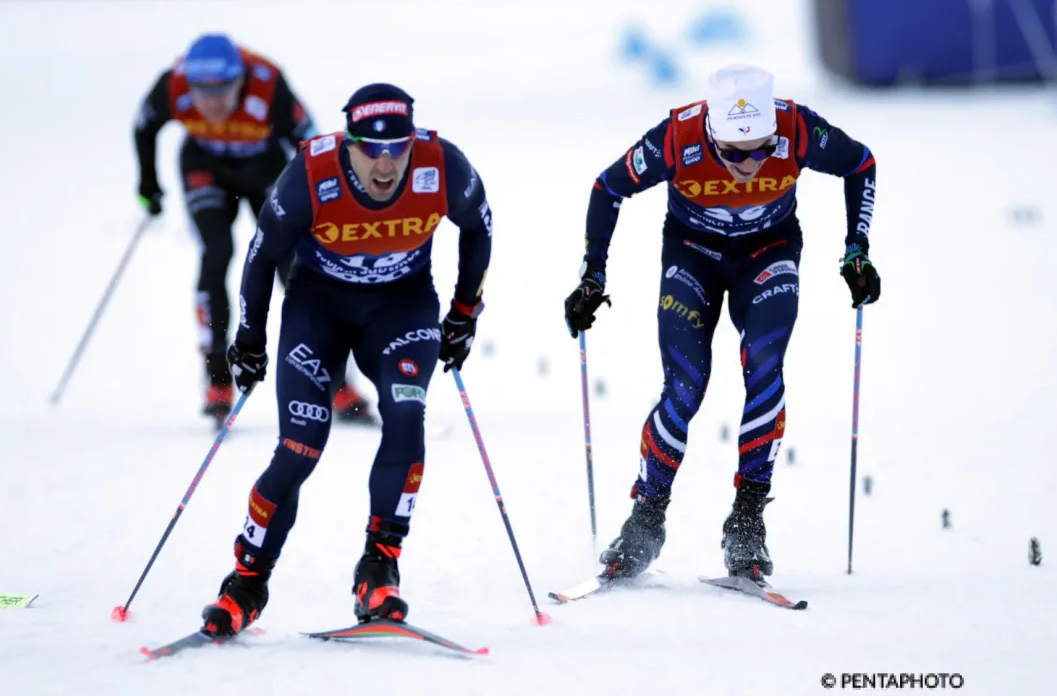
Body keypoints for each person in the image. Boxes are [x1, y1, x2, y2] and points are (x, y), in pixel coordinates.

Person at [564, 64, 880, 584]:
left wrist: (856, 249)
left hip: (769, 253)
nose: (750, 165)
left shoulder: (797, 128)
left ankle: (748, 521)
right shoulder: (677, 137)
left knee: (764, 365)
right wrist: (593, 275)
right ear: (711, 134)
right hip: (693, 258)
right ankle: (646, 518)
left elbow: (860, 163)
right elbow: (607, 187)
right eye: (734, 153)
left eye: (762, 149)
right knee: (685, 386)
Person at [198, 83, 493, 636]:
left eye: (398, 149)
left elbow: (479, 227)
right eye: (371, 150)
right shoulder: (310, 173)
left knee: (406, 418)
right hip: (320, 312)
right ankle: (245, 583)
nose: (386, 165)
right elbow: (263, 254)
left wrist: (464, 311)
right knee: (299, 448)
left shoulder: (441, 164)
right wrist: (249, 336)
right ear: (347, 143)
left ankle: (379, 568)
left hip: (402, 310)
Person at [133, 33, 374, 426]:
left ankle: (334, 379)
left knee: (293, 267)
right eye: (202, 91)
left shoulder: (268, 84)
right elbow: (144, 128)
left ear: (242, 80)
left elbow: (312, 142)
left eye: (223, 90)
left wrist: (331, 196)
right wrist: (148, 185)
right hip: (205, 166)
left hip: (265, 168)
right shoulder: (172, 85)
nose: (211, 101)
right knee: (217, 256)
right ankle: (217, 378)